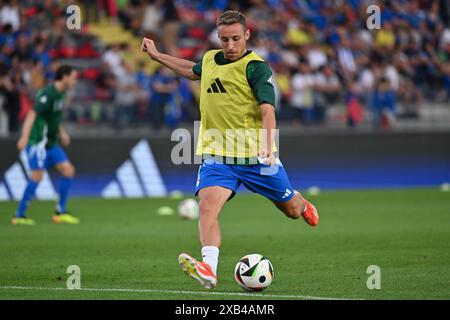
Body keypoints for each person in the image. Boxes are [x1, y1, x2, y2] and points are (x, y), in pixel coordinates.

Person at [141, 10, 319, 289]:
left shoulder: (256, 67)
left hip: (257, 158)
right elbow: (192, 70)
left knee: (291, 210)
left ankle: (302, 202)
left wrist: (268, 145)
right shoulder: (212, 59)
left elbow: (268, 111)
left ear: (247, 35)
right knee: (207, 208)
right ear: (218, 36)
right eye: (225, 39)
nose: (231, 45)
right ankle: (208, 269)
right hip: (218, 157)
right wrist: (157, 56)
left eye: (236, 38)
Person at [12, 65, 79, 226]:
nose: (75, 80)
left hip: (51, 143)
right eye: (73, 77)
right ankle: (19, 215)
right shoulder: (47, 94)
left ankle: (60, 212)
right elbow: (32, 115)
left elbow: (53, 117)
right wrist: (24, 137)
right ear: (64, 76)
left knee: (68, 171)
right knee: (37, 176)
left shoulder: (61, 93)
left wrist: (61, 132)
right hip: (38, 143)